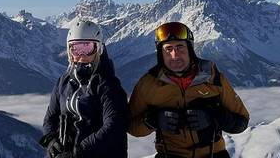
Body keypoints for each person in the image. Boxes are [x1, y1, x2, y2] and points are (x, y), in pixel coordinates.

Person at [127, 22, 249, 158]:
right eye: (168, 49)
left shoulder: (213, 78)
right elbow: (131, 126)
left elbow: (242, 121)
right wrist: (152, 120)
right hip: (170, 155)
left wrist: (214, 116)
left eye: (180, 47)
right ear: (160, 53)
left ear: (190, 49)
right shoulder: (148, 84)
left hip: (214, 154)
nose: (175, 55)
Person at [40, 19, 128, 158]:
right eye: (75, 48)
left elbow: (113, 127)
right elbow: (50, 118)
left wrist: (78, 152)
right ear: (69, 51)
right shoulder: (64, 82)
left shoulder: (108, 85)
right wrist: (51, 140)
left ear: (98, 49)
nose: (81, 56)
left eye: (87, 48)